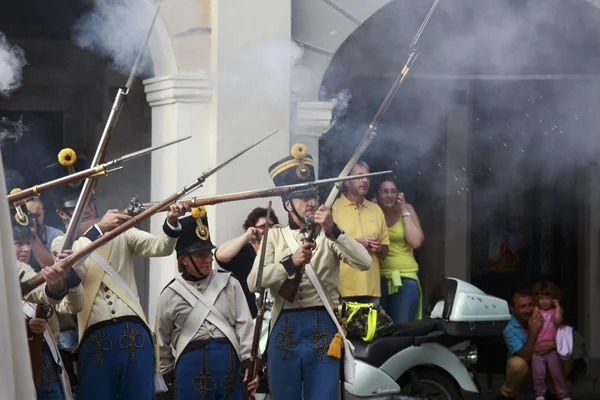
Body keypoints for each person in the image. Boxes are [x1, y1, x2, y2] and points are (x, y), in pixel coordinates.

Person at [38, 148, 189, 400]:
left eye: (88, 204)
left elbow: (160, 247)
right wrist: (98, 230)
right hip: (95, 336)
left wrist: (172, 221)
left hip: (135, 332)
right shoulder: (61, 244)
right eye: (76, 206)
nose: (85, 210)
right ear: (62, 214)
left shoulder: (119, 232)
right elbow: (74, 264)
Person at [247, 143, 372, 400]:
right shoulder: (275, 236)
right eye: (304, 197)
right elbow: (253, 282)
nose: (312, 202)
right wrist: (289, 263)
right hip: (285, 328)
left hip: (323, 327)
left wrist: (334, 230)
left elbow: (365, 262)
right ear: (287, 204)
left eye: (313, 195)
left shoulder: (330, 236)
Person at [155, 207, 258, 399]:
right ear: (183, 259)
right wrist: (166, 381)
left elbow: (245, 325)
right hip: (190, 375)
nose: (208, 259)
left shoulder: (229, 282)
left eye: (209, 253)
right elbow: (161, 343)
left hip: (231, 373)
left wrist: (249, 362)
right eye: (200, 255)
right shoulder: (169, 295)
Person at [10, 201, 84, 400]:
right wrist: (25, 327)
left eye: (28, 242)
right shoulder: (15, 271)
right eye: (18, 243)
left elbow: (74, 306)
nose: (25, 249)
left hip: (44, 362)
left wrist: (65, 275)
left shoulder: (32, 273)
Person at [497, 284, 572, 400]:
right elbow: (526, 356)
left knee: (566, 357)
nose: (528, 310)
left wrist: (553, 344)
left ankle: (553, 392)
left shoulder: (546, 314)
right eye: (522, 307)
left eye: (530, 305)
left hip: (548, 364)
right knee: (516, 364)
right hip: (526, 372)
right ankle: (508, 394)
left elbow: (565, 337)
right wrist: (533, 333)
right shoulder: (508, 326)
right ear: (512, 308)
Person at [332, 160, 389, 304]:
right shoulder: (333, 208)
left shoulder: (376, 210)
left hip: (372, 290)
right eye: (359, 176)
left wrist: (379, 248)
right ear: (347, 182)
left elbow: (385, 252)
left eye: (367, 177)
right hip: (342, 290)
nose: (364, 180)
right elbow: (326, 248)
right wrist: (358, 243)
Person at [215, 207, 279, 319]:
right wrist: (246, 236)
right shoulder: (245, 252)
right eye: (262, 226)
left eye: (271, 226)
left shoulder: (279, 251)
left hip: (275, 314)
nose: (268, 230)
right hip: (249, 317)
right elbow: (221, 255)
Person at [374, 179, 424, 323]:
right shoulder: (372, 211)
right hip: (378, 279)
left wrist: (404, 210)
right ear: (377, 195)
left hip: (406, 279)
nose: (389, 195)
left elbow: (416, 242)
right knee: (380, 329)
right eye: (385, 191)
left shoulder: (407, 208)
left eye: (393, 191)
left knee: (401, 328)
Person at [531, 281, 570, 400]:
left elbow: (557, 321)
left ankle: (563, 395)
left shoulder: (555, 311)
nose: (544, 301)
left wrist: (557, 306)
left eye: (547, 298)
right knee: (539, 373)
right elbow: (533, 320)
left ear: (553, 298)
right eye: (541, 298)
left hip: (552, 350)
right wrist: (536, 307)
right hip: (537, 349)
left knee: (556, 373)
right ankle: (540, 394)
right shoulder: (537, 311)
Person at [25, 196, 64, 270]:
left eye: (37, 215)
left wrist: (33, 236)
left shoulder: (56, 235)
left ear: (43, 212)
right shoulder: (15, 236)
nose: (34, 220)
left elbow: (54, 267)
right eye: (30, 215)